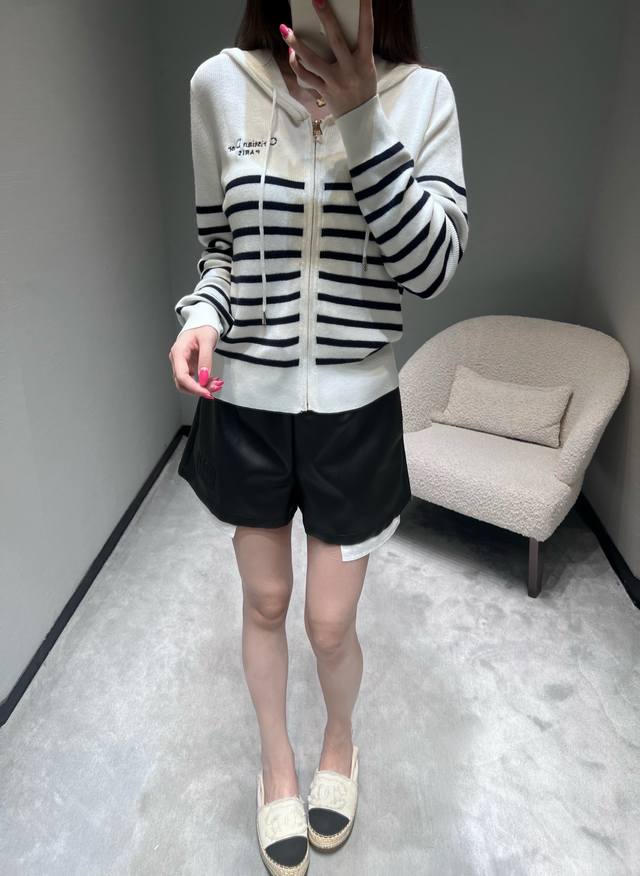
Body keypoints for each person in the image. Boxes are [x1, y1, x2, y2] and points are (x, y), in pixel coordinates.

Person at [168, 0, 469, 872]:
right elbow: (221, 251)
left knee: (330, 625)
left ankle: (341, 740)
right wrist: (202, 316)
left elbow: (431, 269)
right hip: (246, 405)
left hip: (356, 411)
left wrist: (363, 114)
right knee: (264, 604)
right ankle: (278, 766)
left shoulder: (424, 97)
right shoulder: (219, 87)